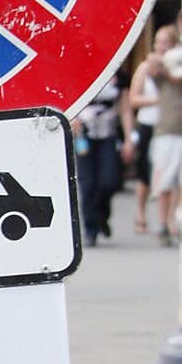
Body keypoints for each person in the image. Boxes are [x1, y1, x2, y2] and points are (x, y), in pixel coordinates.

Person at [73, 68, 134, 247]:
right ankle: (91, 229)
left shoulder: (118, 76)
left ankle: (102, 214)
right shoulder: (78, 73)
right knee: (88, 183)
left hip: (108, 133)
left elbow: (125, 108)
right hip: (83, 134)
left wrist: (130, 139)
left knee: (110, 180)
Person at [129, 30, 166, 233]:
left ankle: (167, 220)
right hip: (148, 124)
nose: (162, 46)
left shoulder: (174, 67)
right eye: (159, 42)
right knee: (145, 173)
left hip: (169, 126)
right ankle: (141, 213)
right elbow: (134, 100)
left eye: (166, 43)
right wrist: (159, 101)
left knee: (170, 174)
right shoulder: (144, 68)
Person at [148, 21, 182, 246]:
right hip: (168, 129)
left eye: (165, 42)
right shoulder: (161, 64)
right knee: (166, 181)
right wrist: (163, 56)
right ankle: (164, 224)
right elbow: (153, 68)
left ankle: (173, 222)